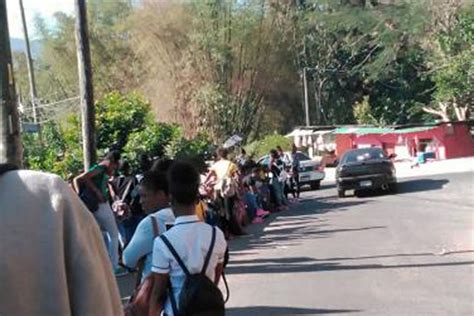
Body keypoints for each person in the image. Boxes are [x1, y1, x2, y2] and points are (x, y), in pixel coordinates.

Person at [0, 165, 123, 316]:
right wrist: (93, 192)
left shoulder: (48, 195)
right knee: (113, 235)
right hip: (94, 208)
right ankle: (115, 263)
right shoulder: (48, 194)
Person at [150, 161, 227, 316]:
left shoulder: (163, 242)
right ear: (197, 198)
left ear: (170, 198)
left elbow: (158, 294)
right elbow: (215, 280)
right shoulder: (216, 234)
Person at [73, 150, 122, 271]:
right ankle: (114, 266)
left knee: (101, 234)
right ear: (113, 162)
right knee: (114, 234)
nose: (116, 168)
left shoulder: (101, 169)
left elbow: (78, 179)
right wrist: (96, 191)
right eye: (116, 165)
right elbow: (82, 178)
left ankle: (103, 264)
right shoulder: (100, 168)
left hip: (95, 206)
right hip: (100, 205)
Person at [123, 170, 175, 281]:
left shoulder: (151, 222)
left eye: (144, 196)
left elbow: (128, 259)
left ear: (161, 194)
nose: (141, 201)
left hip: (158, 291)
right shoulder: (184, 217)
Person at [204, 148, 244, 237]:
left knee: (221, 210)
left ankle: (224, 231)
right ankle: (233, 231)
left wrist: (205, 184)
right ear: (227, 154)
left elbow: (209, 175)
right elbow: (238, 176)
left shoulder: (215, 165)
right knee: (229, 209)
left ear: (218, 155)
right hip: (228, 189)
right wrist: (241, 187)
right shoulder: (231, 164)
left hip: (218, 188)